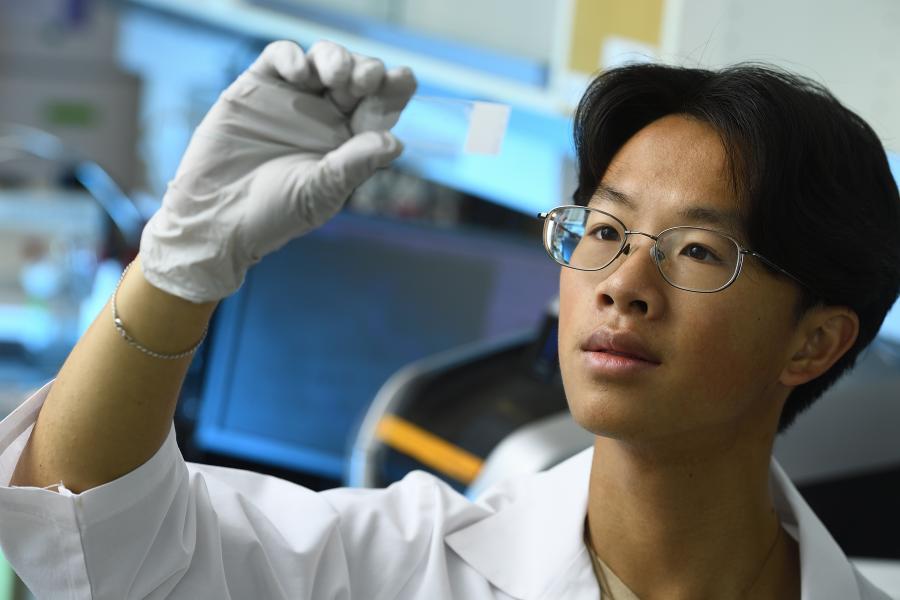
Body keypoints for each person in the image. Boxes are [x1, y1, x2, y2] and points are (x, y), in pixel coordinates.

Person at [0, 38, 896, 599]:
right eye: (604, 231)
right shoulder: (397, 567)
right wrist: (175, 268)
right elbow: (86, 530)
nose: (623, 284)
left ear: (814, 341)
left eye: (697, 251)